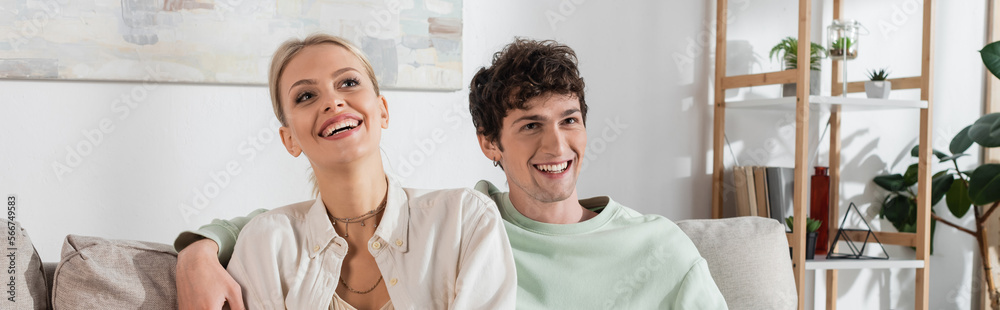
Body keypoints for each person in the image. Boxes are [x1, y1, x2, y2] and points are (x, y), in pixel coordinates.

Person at [174, 38, 727, 309]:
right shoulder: (471, 224)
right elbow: (305, 224)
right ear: (489, 144)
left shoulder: (659, 247)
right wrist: (199, 246)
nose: (556, 144)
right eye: (530, 126)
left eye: (570, 121)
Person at [206, 33, 516, 309]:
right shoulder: (266, 244)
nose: (332, 101)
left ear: (382, 110)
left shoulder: (465, 219)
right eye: (306, 96)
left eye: (348, 82)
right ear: (290, 140)